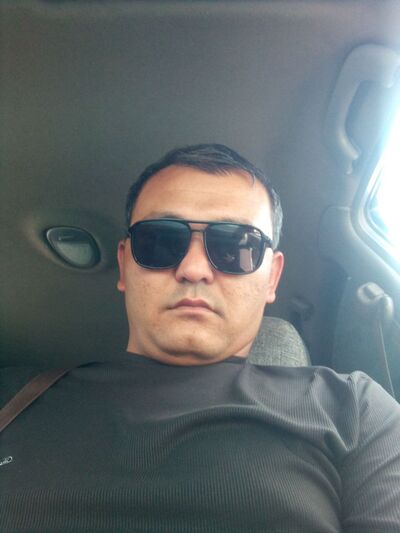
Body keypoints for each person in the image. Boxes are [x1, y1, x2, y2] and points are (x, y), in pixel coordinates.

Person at [1, 144, 400, 532]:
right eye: (161, 241)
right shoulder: (13, 397)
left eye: (236, 246)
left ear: (272, 278)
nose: (194, 268)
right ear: (124, 265)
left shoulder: (355, 411)